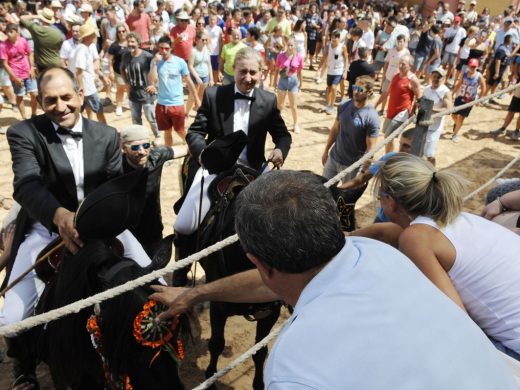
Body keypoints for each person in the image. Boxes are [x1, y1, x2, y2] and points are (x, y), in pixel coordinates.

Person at [151, 170, 519, 389]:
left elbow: (277, 280)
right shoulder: (378, 253)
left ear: (257, 262)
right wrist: (195, 293)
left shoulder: (294, 365)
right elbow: (275, 281)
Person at [2, 67, 152, 386]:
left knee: (157, 282)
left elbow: (112, 184)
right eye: (51, 100)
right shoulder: (22, 133)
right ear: (40, 101)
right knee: (12, 319)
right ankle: (24, 364)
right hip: (46, 228)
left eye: (67, 97)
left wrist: (102, 219)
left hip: (101, 226)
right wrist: (58, 216)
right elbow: (27, 185)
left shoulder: (108, 135)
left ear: (80, 96)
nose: (61, 106)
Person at [375, 153, 520, 360]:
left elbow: (456, 318)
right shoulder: (458, 218)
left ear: (390, 202)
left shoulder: (416, 238)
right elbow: (394, 232)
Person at [174, 46, 291, 243]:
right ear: (233, 69)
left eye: (253, 72)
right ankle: (181, 268)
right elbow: (195, 132)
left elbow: (283, 136)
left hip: (253, 168)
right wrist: (204, 155)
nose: (248, 77)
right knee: (184, 225)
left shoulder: (269, 100)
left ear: (261, 73)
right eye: (242, 71)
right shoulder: (213, 95)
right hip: (215, 169)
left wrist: (280, 149)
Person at [120, 124, 187, 256]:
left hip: (153, 231)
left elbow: (184, 149)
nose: (142, 151)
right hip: (127, 235)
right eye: (135, 147)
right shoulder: (115, 167)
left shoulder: (156, 156)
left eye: (146, 145)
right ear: (123, 148)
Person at [322, 75, 380, 184]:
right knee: (324, 191)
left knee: (344, 198)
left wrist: (363, 171)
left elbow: (371, 149)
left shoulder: (372, 117)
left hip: (352, 166)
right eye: (354, 87)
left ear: (369, 92)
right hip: (334, 158)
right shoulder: (344, 105)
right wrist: (326, 150)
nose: (356, 92)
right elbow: (335, 129)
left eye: (360, 89)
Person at [148, 35, 200, 146]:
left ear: (171, 48)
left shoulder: (180, 62)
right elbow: (153, 80)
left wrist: (197, 99)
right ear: (158, 48)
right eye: (161, 48)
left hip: (177, 103)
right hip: (162, 103)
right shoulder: (155, 61)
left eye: (167, 48)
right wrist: (154, 64)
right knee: (167, 131)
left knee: (180, 130)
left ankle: (191, 147)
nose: (164, 51)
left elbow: (189, 81)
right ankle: (169, 153)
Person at [121, 32, 160, 142]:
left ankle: (158, 135)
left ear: (138, 43)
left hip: (146, 93)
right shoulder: (126, 55)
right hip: (133, 93)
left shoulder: (147, 56)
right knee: (135, 118)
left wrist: (153, 85)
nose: (130, 44)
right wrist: (126, 83)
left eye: (133, 41)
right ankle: (140, 137)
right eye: (128, 41)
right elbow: (122, 69)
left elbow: (156, 71)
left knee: (151, 118)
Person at [379, 55, 422, 153]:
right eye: (400, 63)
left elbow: (419, 97)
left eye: (404, 64)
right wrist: (376, 105)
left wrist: (412, 111)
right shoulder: (395, 76)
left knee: (388, 136)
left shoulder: (413, 80)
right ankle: (389, 156)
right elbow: (386, 92)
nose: (400, 66)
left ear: (410, 66)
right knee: (387, 136)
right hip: (391, 110)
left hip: (402, 113)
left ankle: (389, 159)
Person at [0, 23, 37, 120]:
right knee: (20, 96)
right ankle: (25, 118)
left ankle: (34, 114)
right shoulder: (3, 46)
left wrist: (32, 68)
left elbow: (29, 54)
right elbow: (5, 64)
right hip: (16, 75)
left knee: (34, 94)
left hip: (27, 72)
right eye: (7, 32)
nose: (8, 34)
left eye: (11, 32)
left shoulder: (23, 41)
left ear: (17, 32)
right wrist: (15, 78)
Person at [73, 23, 108, 124]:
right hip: (87, 88)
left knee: (80, 112)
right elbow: (79, 70)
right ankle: (106, 130)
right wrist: (81, 88)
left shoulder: (84, 48)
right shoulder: (82, 50)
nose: (95, 36)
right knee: (99, 110)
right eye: (93, 34)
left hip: (87, 86)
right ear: (88, 36)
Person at [422, 67, 452, 165]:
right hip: (422, 124)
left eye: (439, 77)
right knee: (419, 151)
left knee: (429, 154)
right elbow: (421, 103)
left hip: (434, 128)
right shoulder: (426, 89)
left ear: (443, 79)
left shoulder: (445, 92)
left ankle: (433, 173)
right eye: (434, 76)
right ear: (431, 76)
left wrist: (431, 109)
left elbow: (449, 110)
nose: (436, 79)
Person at [451, 58, 485, 143]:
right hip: (460, 97)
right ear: (468, 66)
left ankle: (455, 134)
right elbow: (459, 84)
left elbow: (483, 87)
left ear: (477, 67)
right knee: (453, 115)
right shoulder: (464, 73)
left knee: (461, 117)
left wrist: (479, 99)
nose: (472, 68)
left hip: (469, 100)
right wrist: (452, 93)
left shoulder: (479, 76)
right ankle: (457, 124)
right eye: (471, 66)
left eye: (474, 67)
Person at [375, 34, 409, 116]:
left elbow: (407, 66)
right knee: (384, 93)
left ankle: (393, 111)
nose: (399, 43)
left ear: (404, 42)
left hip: (398, 78)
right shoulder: (391, 50)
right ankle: (382, 109)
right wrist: (384, 74)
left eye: (401, 41)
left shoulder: (406, 52)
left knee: (395, 96)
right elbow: (386, 62)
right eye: (398, 41)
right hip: (389, 76)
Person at [275, 37, 303, 133]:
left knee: (293, 105)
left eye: (292, 45)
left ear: (295, 46)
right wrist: (275, 81)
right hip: (282, 81)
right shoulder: (281, 56)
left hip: (293, 81)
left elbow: (300, 71)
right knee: (280, 105)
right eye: (288, 45)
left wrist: (301, 83)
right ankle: (276, 123)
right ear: (286, 45)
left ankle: (296, 124)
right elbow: (276, 69)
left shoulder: (299, 57)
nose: (290, 47)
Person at [186, 30, 213, 117]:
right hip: (195, 76)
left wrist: (211, 78)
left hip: (205, 75)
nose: (205, 42)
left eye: (206, 40)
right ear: (197, 40)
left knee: (201, 95)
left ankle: (198, 110)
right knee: (192, 96)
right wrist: (197, 77)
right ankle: (186, 113)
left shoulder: (207, 50)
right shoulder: (193, 51)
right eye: (203, 40)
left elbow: (209, 65)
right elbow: (190, 66)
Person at [322, 29, 348, 115]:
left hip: (338, 71)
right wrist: (320, 69)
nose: (333, 40)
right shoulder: (328, 46)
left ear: (338, 38)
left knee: (333, 87)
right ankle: (328, 103)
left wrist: (345, 71)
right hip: (330, 70)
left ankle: (331, 106)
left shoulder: (343, 47)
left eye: (335, 38)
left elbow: (346, 59)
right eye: (332, 38)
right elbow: (324, 57)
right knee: (329, 89)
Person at [108, 23, 129, 116]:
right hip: (119, 71)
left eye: (123, 31)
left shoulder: (131, 42)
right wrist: (111, 72)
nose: (121, 33)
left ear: (126, 32)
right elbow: (110, 60)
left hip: (131, 72)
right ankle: (119, 106)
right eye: (119, 32)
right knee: (120, 89)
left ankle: (134, 105)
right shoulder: (114, 45)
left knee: (131, 89)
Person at [442, 16, 466, 83]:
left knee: (451, 66)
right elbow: (444, 38)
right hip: (447, 49)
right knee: (444, 65)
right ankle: (442, 78)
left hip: (455, 51)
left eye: (457, 22)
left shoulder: (462, 30)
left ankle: (446, 79)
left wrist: (460, 51)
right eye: (455, 21)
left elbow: (463, 41)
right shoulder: (449, 29)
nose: (456, 23)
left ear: (460, 22)